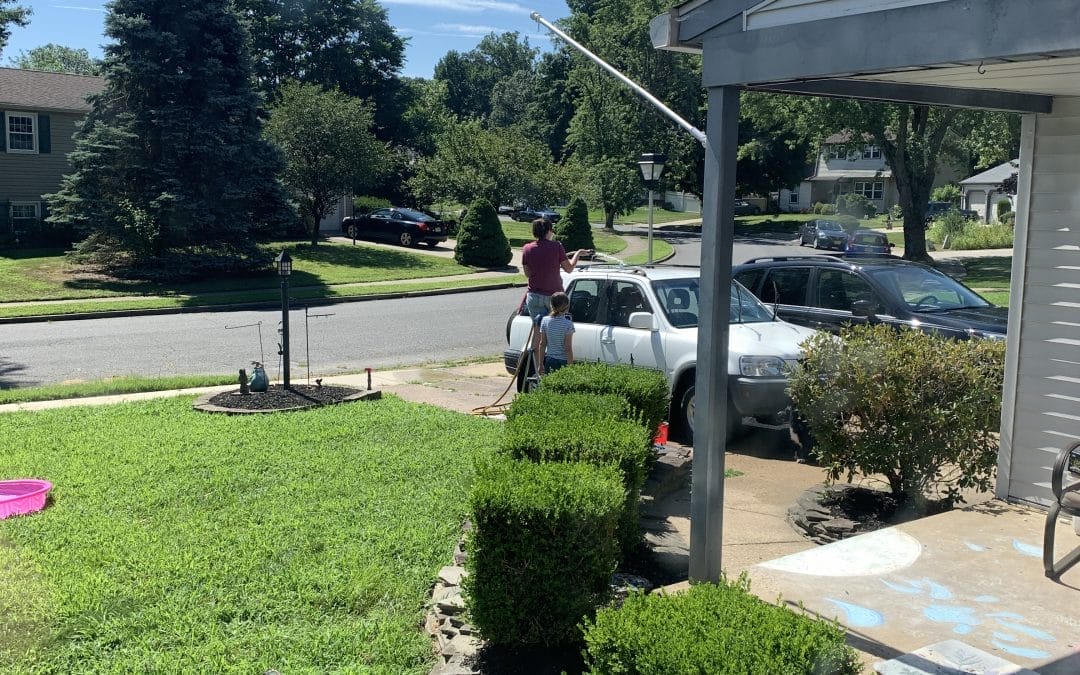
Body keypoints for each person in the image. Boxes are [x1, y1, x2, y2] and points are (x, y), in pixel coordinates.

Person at [520, 217, 589, 354]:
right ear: (549, 231)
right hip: (554, 298)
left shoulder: (527, 248)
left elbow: (528, 274)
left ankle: (537, 366)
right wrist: (578, 254)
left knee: (538, 332)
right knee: (557, 332)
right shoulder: (556, 246)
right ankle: (555, 362)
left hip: (534, 296)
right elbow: (569, 268)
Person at [538, 292, 574, 376]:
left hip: (550, 361)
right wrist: (571, 367)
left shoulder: (545, 321)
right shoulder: (568, 324)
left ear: (551, 305)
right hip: (563, 361)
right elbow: (568, 348)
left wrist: (540, 364)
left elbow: (542, 344)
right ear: (567, 307)